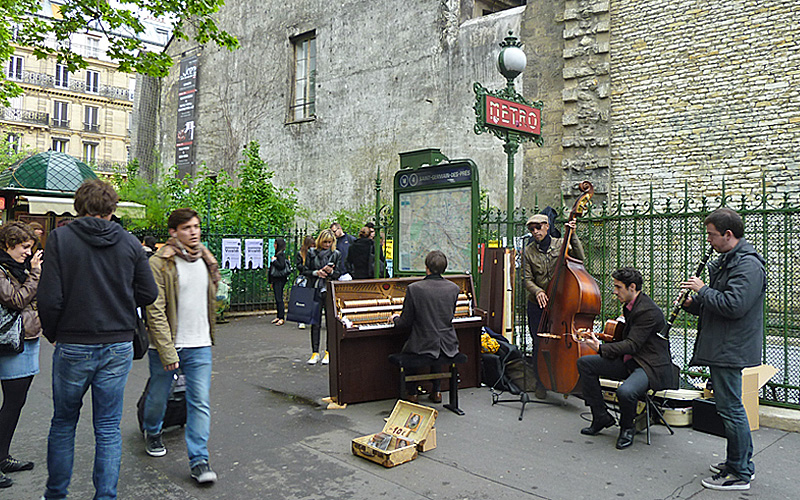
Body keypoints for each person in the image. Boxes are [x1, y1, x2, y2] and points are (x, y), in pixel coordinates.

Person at [38, 179, 158, 500]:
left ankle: (56, 495)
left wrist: (53, 333)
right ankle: (105, 496)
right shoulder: (130, 243)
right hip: (117, 343)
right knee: (107, 428)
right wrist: (120, 296)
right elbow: (149, 293)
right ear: (111, 209)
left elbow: (48, 299)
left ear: (79, 207)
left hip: (73, 343)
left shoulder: (60, 239)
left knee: (64, 422)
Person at [680, 208, 765, 491]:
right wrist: (693, 305)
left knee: (731, 409)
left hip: (732, 347)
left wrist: (703, 290)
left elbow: (734, 306)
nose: (709, 241)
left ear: (728, 235)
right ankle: (737, 463)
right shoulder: (729, 261)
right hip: (725, 344)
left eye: (712, 235)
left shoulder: (748, 265)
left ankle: (740, 473)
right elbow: (718, 308)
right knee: (729, 408)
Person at [143, 208, 222, 485]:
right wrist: (167, 350)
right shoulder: (160, 263)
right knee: (159, 395)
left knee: (199, 401)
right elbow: (154, 310)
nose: (194, 231)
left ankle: (199, 460)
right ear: (173, 232)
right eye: (187, 227)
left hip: (200, 343)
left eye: (196, 226)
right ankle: (152, 430)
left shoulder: (205, 259)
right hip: (168, 345)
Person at [573, 267, 673, 449]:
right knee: (585, 363)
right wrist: (600, 338)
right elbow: (627, 341)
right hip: (631, 360)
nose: (615, 291)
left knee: (625, 392)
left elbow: (633, 344)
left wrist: (602, 348)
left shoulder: (647, 311)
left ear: (632, 287)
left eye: (618, 287)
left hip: (649, 366)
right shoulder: (631, 305)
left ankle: (628, 428)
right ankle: (600, 416)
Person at [521, 212, 583, 399]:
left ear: (547, 226)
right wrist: (538, 291)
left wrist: (573, 235)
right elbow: (526, 279)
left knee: (562, 343)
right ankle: (541, 382)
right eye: (532, 229)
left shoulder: (560, 244)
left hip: (561, 303)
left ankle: (564, 380)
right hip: (538, 304)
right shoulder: (528, 251)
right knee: (539, 343)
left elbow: (580, 258)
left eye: (538, 227)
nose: (535, 231)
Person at [0, 222, 43, 489]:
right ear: (8, 245)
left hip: (27, 338)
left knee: (17, 402)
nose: (28, 252)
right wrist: (35, 274)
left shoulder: (18, 269)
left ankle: (3, 456)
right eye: (24, 247)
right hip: (11, 342)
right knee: (12, 401)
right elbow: (15, 300)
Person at [390, 250, 459, 404]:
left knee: (410, 346)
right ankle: (437, 391)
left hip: (422, 343)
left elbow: (405, 323)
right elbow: (449, 316)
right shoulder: (454, 288)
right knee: (436, 348)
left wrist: (395, 319)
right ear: (444, 269)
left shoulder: (415, 288)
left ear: (426, 268)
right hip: (448, 344)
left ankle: (412, 393)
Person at [300, 229, 341, 365]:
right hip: (315, 289)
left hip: (328, 290)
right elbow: (305, 271)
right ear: (320, 241)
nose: (327, 245)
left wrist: (332, 271)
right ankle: (315, 352)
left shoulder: (336, 254)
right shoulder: (312, 253)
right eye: (325, 242)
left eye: (330, 242)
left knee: (330, 322)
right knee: (315, 322)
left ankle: (329, 351)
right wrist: (316, 273)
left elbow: (341, 272)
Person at [295, 235, 316, 330]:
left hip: (312, 278)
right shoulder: (300, 254)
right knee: (303, 300)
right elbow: (299, 266)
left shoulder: (314, 253)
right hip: (304, 278)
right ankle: (301, 320)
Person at [268, 237, 290, 325]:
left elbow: (281, 266)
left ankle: (281, 317)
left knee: (279, 298)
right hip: (276, 279)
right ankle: (278, 316)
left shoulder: (281, 255)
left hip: (280, 279)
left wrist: (274, 261)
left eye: (276, 244)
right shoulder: (278, 254)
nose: (274, 245)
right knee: (277, 298)